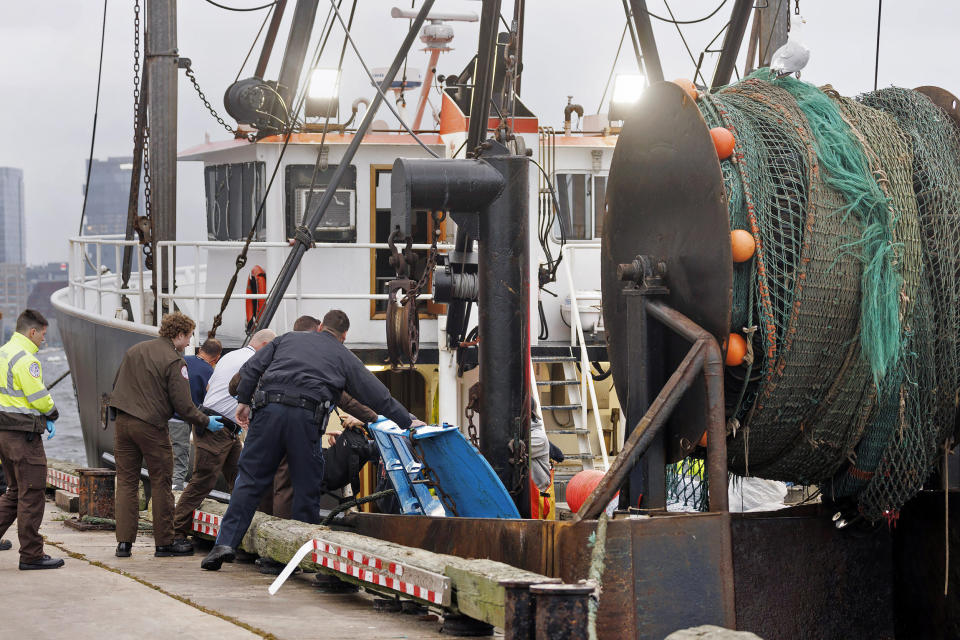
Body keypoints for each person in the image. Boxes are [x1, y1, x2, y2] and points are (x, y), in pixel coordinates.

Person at [201, 309, 424, 570]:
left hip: (267, 414)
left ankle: (225, 544)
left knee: (249, 480)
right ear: (344, 336)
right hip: (305, 418)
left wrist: (243, 402)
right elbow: (377, 395)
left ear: (320, 327)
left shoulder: (284, 340)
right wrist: (408, 422)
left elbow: (251, 368)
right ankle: (300, 554)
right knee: (306, 484)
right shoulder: (342, 355)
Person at [109, 312, 223, 558]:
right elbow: (183, 405)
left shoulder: (135, 350)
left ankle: (124, 544)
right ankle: (164, 542)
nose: (190, 342)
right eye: (189, 336)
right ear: (179, 335)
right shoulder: (174, 361)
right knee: (161, 481)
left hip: (123, 422)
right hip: (151, 426)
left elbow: (116, 384)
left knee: (127, 482)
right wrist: (205, 421)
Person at [171, 329, 276, 543]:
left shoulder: (231, 356)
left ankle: (237, 536)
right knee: (203, 480)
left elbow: (211, 387)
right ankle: (175, 532)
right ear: (265, 346)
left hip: (225, 427)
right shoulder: (255, 361)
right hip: (218, 427)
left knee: (241, 478)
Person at [0, 310, 63, 570]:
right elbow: (39, 397)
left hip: (3, 433)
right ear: (32, 332)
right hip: (23, 436)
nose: (43, 341)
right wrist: (52, 414)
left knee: (14, 492)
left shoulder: (3, 352)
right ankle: (32, 555)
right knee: (32, 494)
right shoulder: (26, 359)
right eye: (43, 335)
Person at [170, 338, 222, 490]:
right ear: (217, 357)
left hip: (163, 416)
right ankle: (175, 495)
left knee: (165, 458)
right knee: (180, 460)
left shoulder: (182, 360)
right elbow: (209, 399)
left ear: (200, 350)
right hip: (182, 419)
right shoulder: (210, 372)